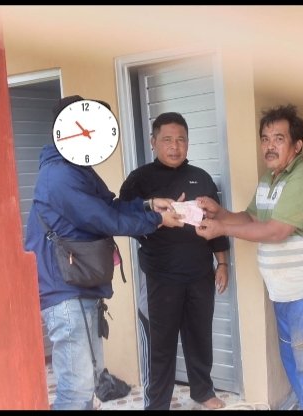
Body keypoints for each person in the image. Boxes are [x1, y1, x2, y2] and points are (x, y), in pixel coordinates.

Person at [24, 95, 183, 410]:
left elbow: (108, 206)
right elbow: (103, 218)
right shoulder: (60, 175)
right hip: (66, 292)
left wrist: (148, 205)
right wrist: (156, 220)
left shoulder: (76, 168)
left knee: (85, 388)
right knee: (75, 391)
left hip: (78, 288)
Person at [195, 104, 303, 410]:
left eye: (278, 138)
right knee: (296, 365)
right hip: (284, 291)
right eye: (265, 139)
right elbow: (251, 218)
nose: (269, 146)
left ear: (297, 145)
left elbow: (276, 231)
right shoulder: (269, 180)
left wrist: (222, 228)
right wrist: (219, 213)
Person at [118, 112, 229, 410]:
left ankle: (202, 391)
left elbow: (217, 223)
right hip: (160, 276)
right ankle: (157, 403)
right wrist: (155, 218)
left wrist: (222, 263)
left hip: (200, 274)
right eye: (167, 139)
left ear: (188, 143)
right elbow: (123, 216)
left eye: (181, 139)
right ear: (153, 142)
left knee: (199, 337)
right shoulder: (140, 179)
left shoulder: (201, 178)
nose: (174, 146)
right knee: (160, 344)